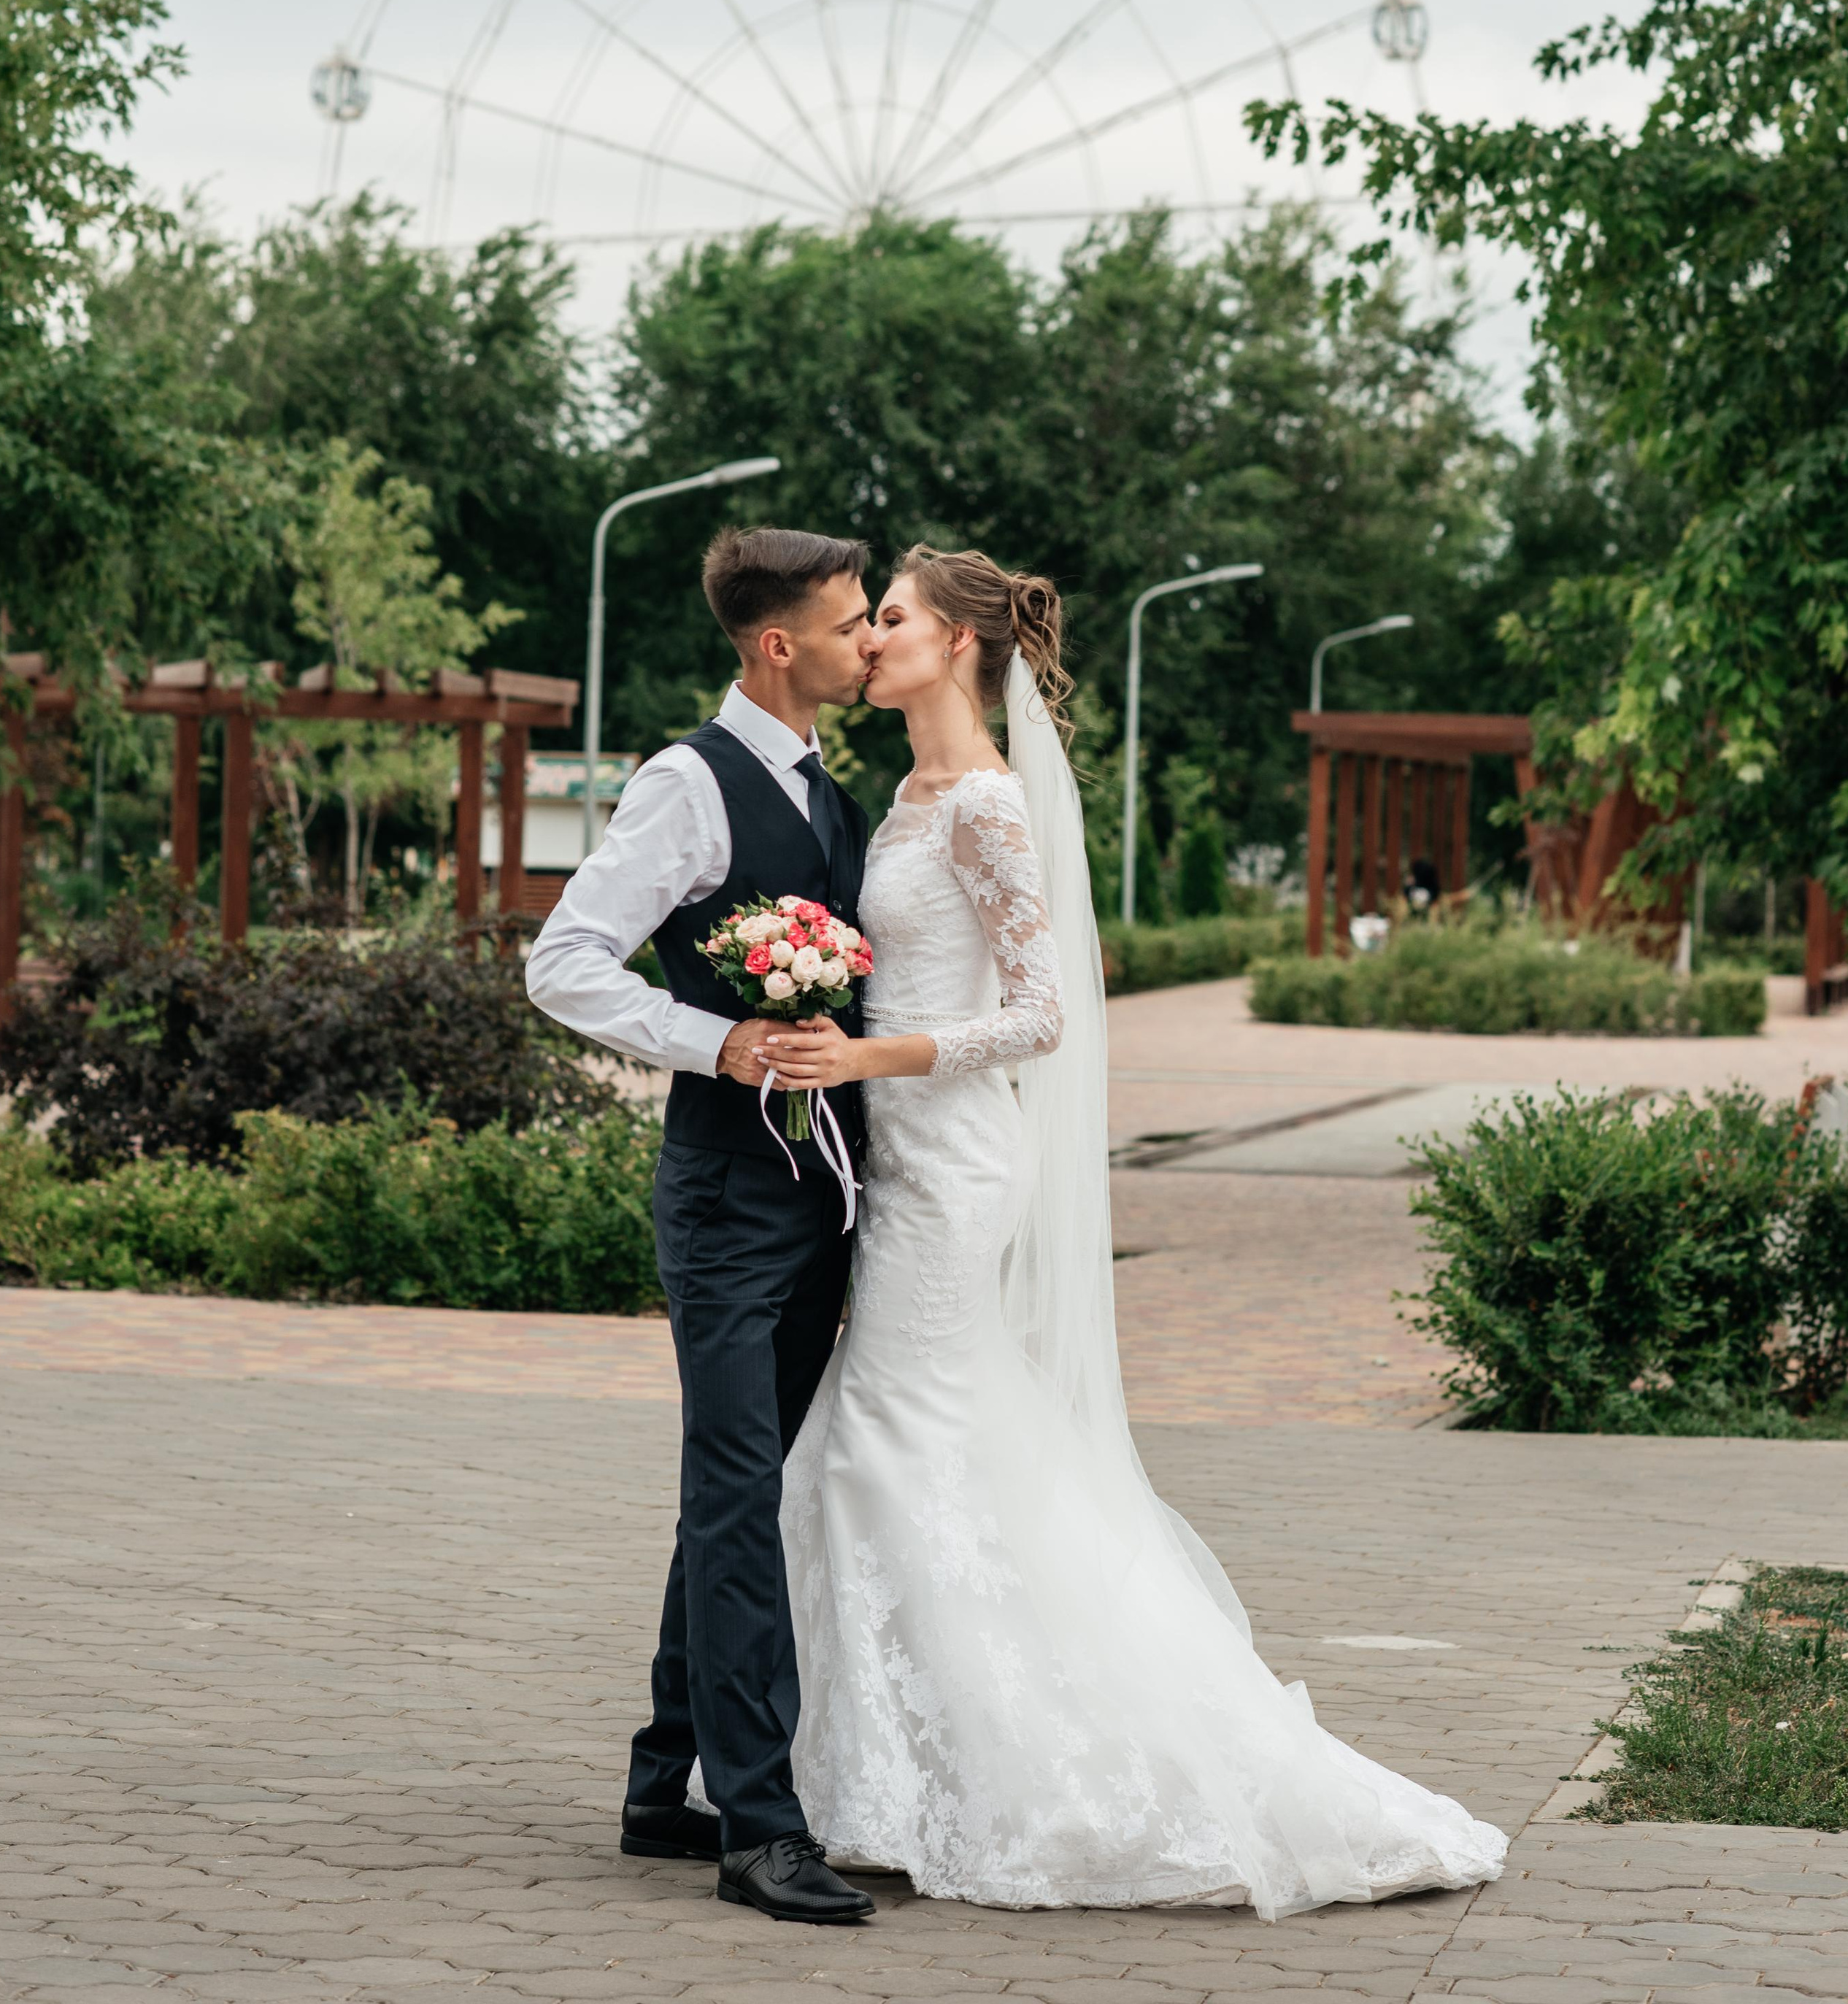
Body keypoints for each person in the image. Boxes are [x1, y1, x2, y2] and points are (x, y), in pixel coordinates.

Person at [756, 545, 1508, 1917]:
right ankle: (890, 1773)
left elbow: (1047, 1009)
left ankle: (992, 1775)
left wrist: (872, 1060)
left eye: (897, 620)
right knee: (920, 1438)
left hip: (955, 1158)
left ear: (962, 645)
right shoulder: (910, 792)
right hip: (902, 1154)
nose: (870, 639)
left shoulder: (984, 800)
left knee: (877, 1441)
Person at [524, 525, 879, 1926]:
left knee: (744, 1487)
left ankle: (661, 1777)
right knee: (739, 1493)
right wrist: (719, 1040)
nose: (868, 640)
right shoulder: (690, 780)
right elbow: (563, 962)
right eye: (851, 623)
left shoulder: (828, 791)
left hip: (819, 1196)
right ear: (776, 642)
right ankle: (761, 1826)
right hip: (728, 1196)